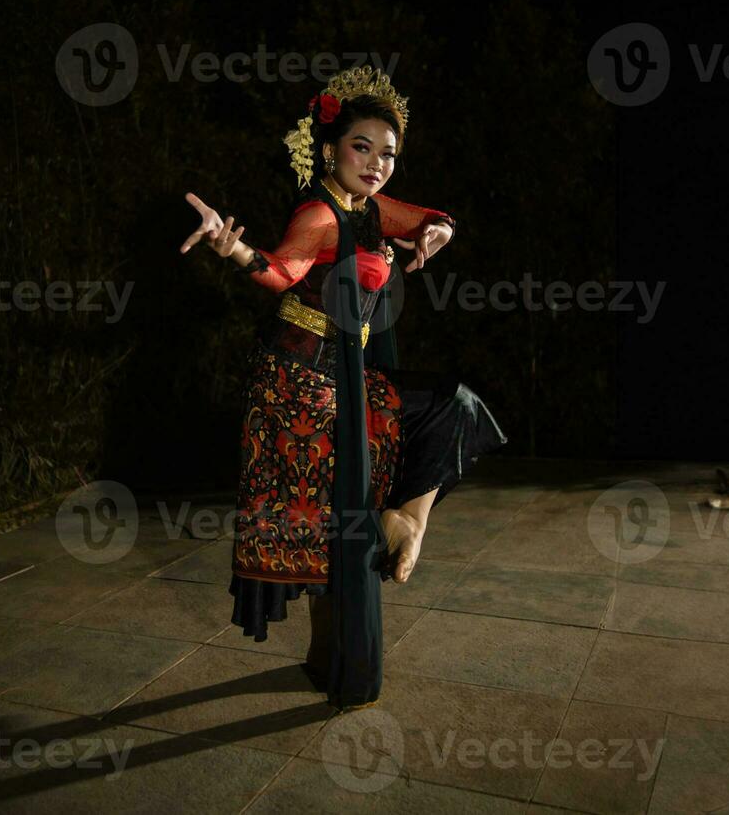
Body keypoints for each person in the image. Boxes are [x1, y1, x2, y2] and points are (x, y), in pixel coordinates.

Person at [178, 66, 507, 711]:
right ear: (331, 149)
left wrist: (440, 229)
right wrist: (232, 250)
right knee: (336, 523)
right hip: (299, 388)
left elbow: (430, 217)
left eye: (389, 153)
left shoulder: (372, 207)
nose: (378, 164)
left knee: (454, 411)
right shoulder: (321, 212)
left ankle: (408, 520)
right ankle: (337, 645)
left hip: (347, 376)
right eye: (363, 147)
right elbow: (280, 272)